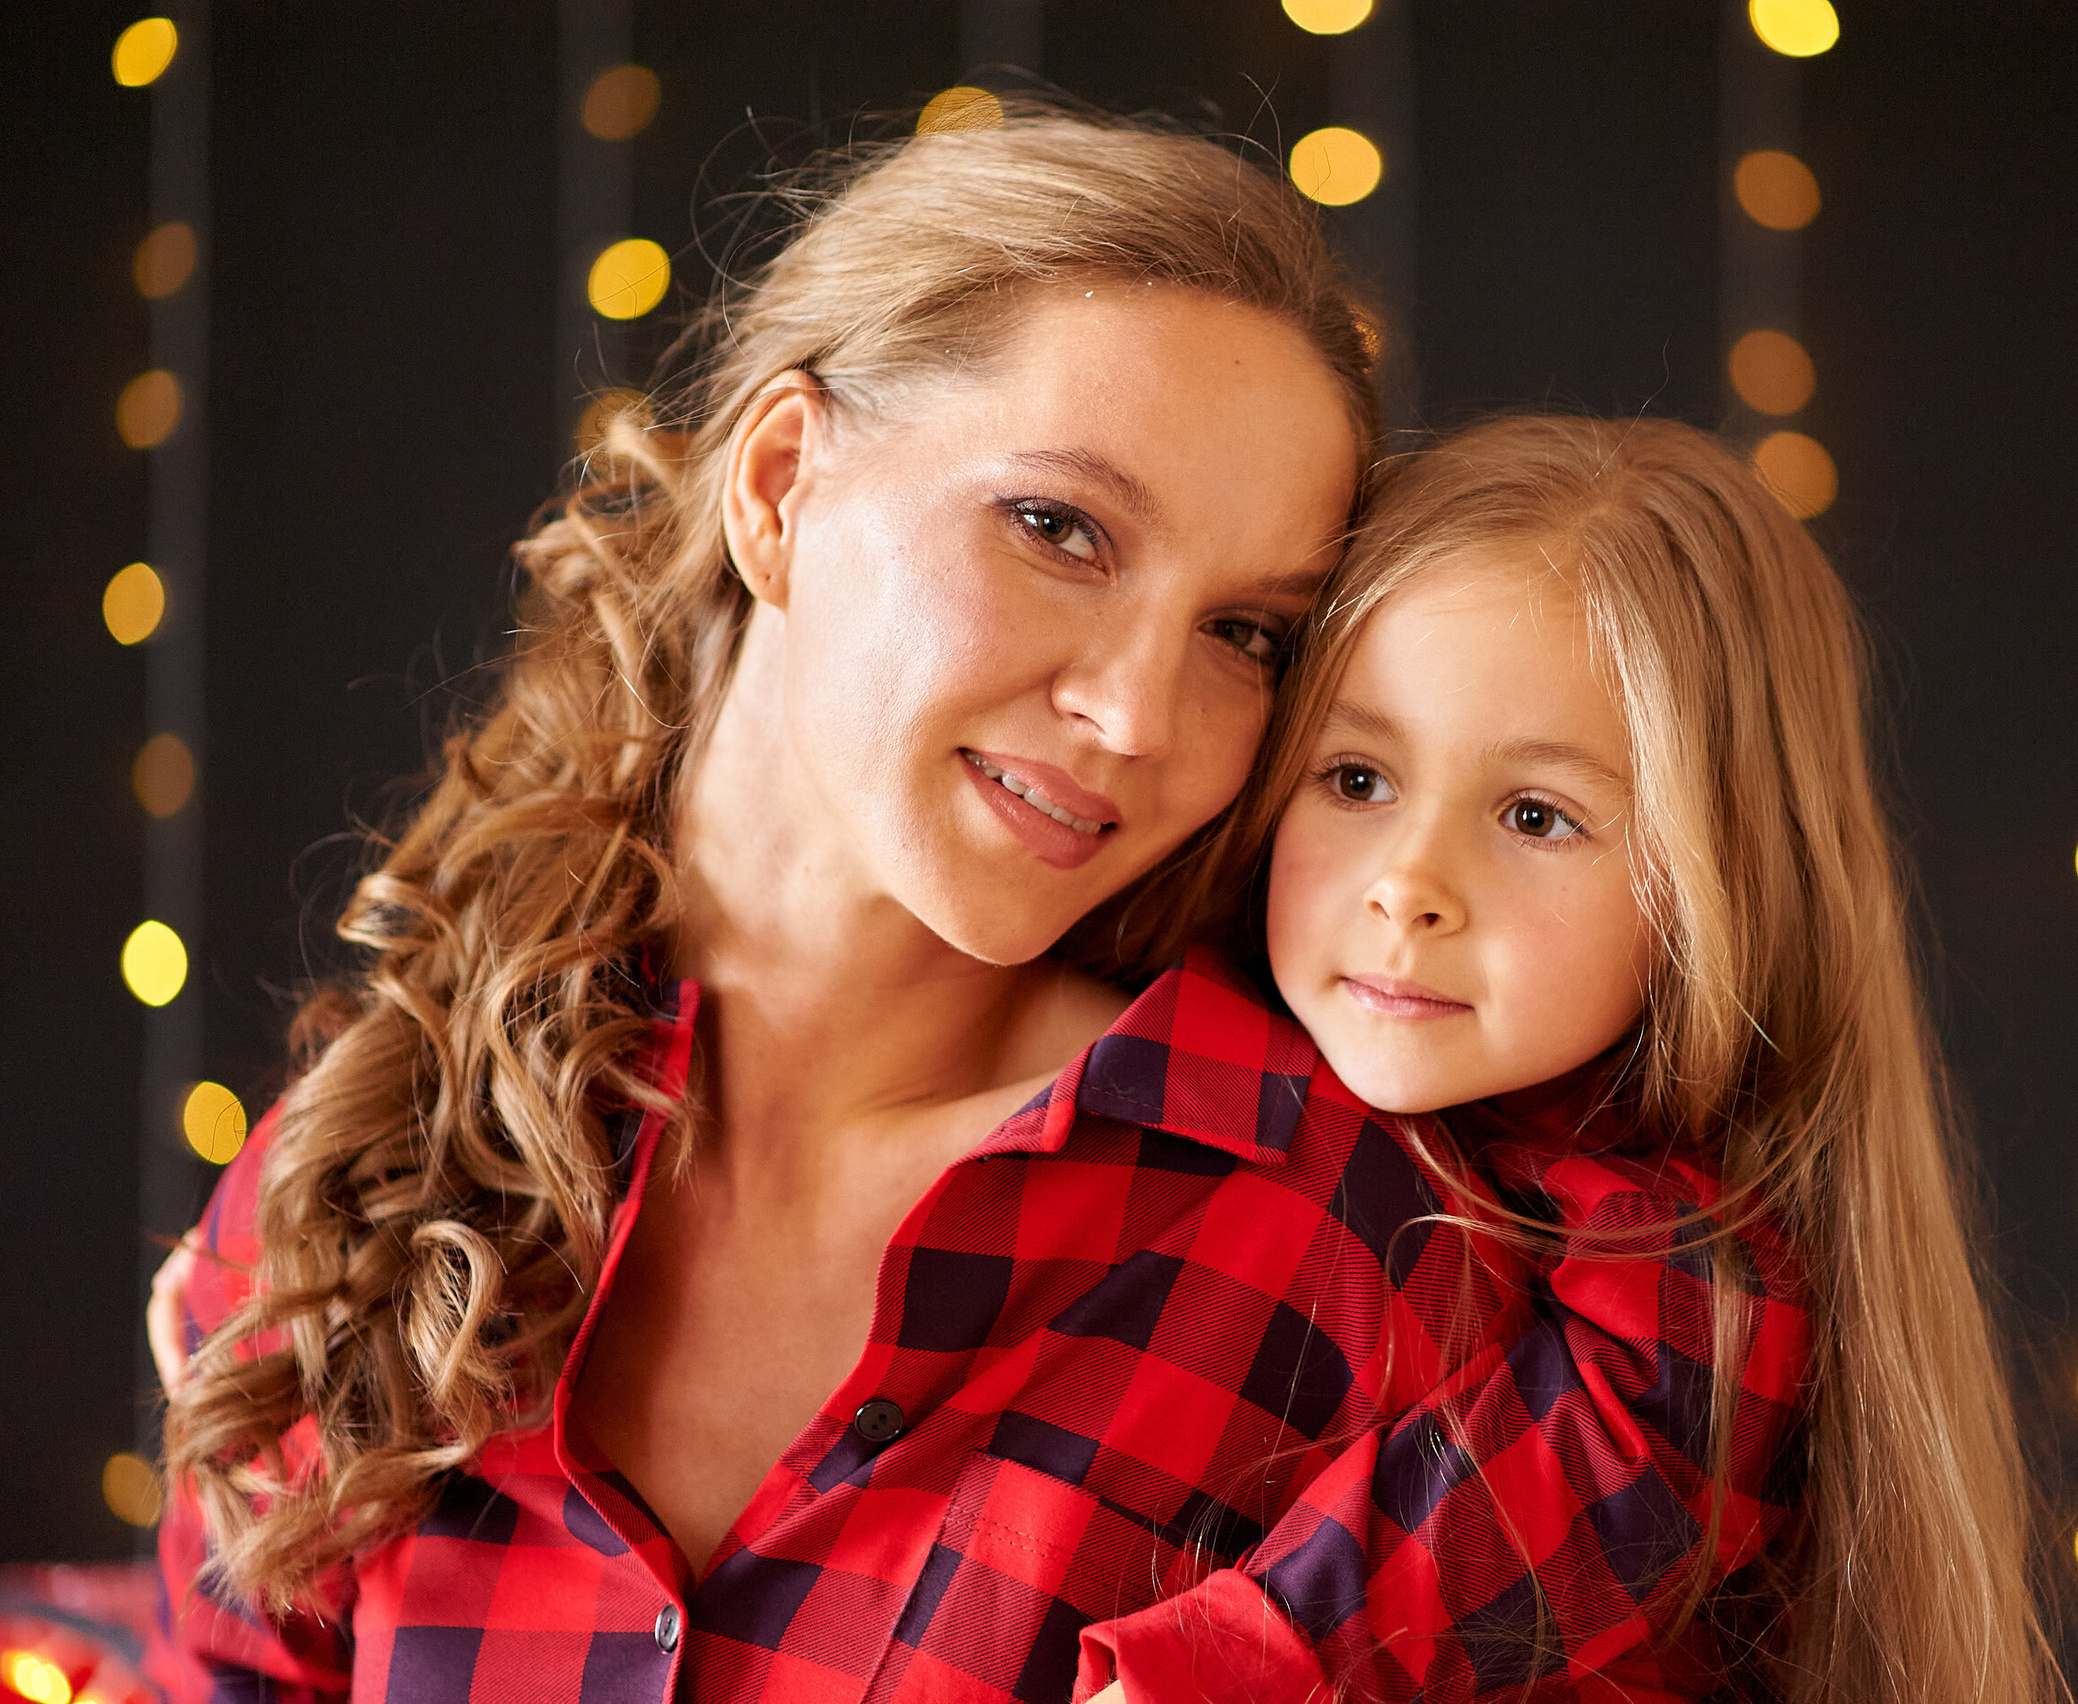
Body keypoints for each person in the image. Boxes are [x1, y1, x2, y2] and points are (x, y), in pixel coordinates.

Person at [150, 111, 1740, 1704]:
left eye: (1245, 633)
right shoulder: (365, 1187)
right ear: (778, 485)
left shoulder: (1348, 1242)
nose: (1135, 715)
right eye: (1059, 529)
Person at [1159, 414, 2054, 1700]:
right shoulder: (1183, 1068)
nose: (1408, 886)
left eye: (1536, 816)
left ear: (1713, 892)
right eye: (1354, 779)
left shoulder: (1678, 1276)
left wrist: (1223, 1671)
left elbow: (1523, 1522)